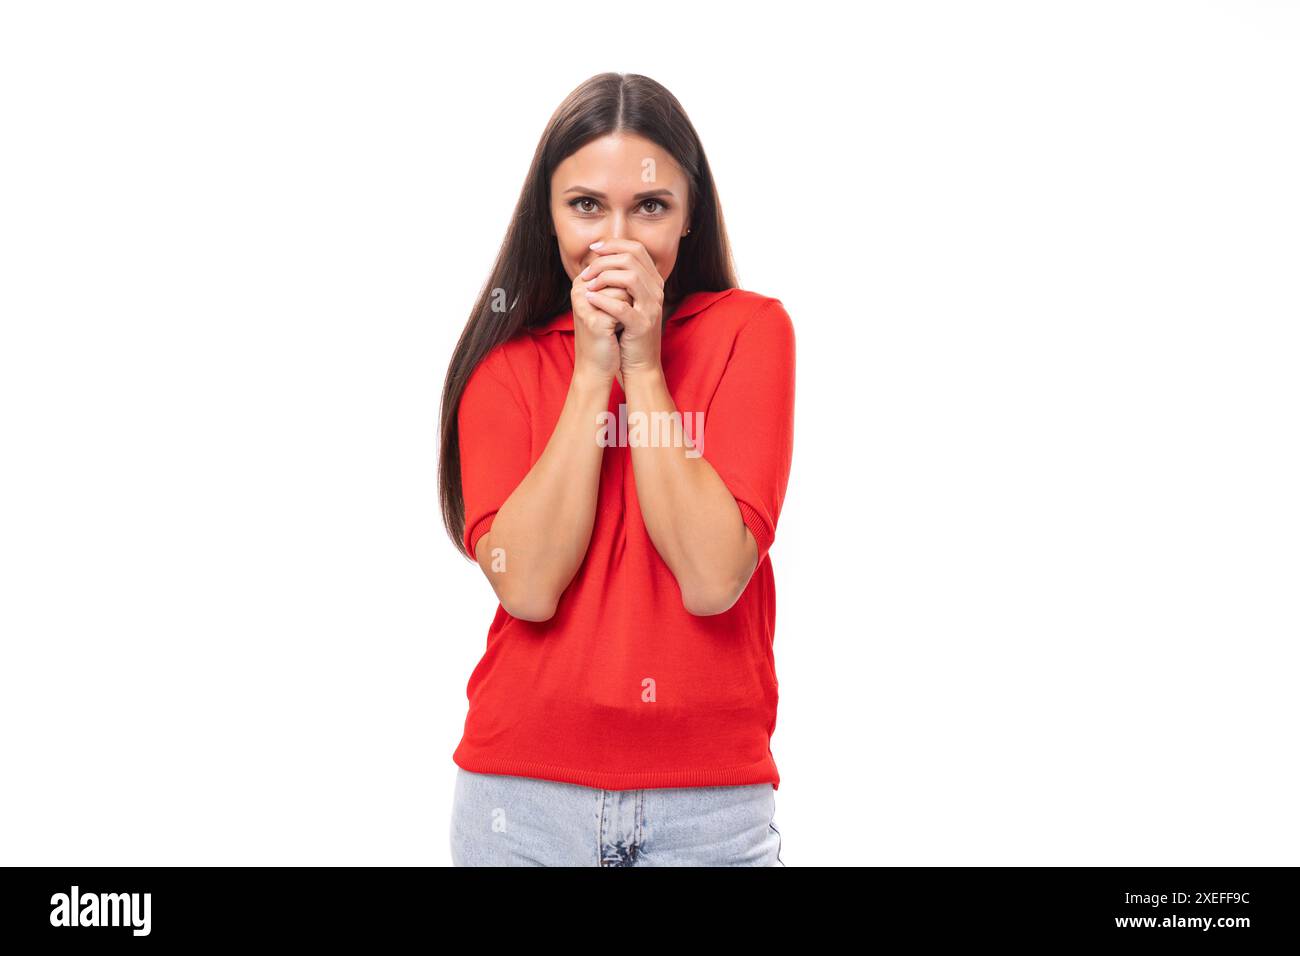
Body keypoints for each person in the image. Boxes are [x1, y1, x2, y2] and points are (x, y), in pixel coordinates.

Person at [437, 72, 795, 866]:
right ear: (550, 214)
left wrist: (644, 366)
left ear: (690, 213)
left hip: (709, 808)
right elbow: (527, 586)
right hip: (521, 800)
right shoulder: (505, 366)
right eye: (587, 206)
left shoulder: (753, 333)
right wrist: (590, 371)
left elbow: (711, 577)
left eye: (651, 206)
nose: (618, 238)